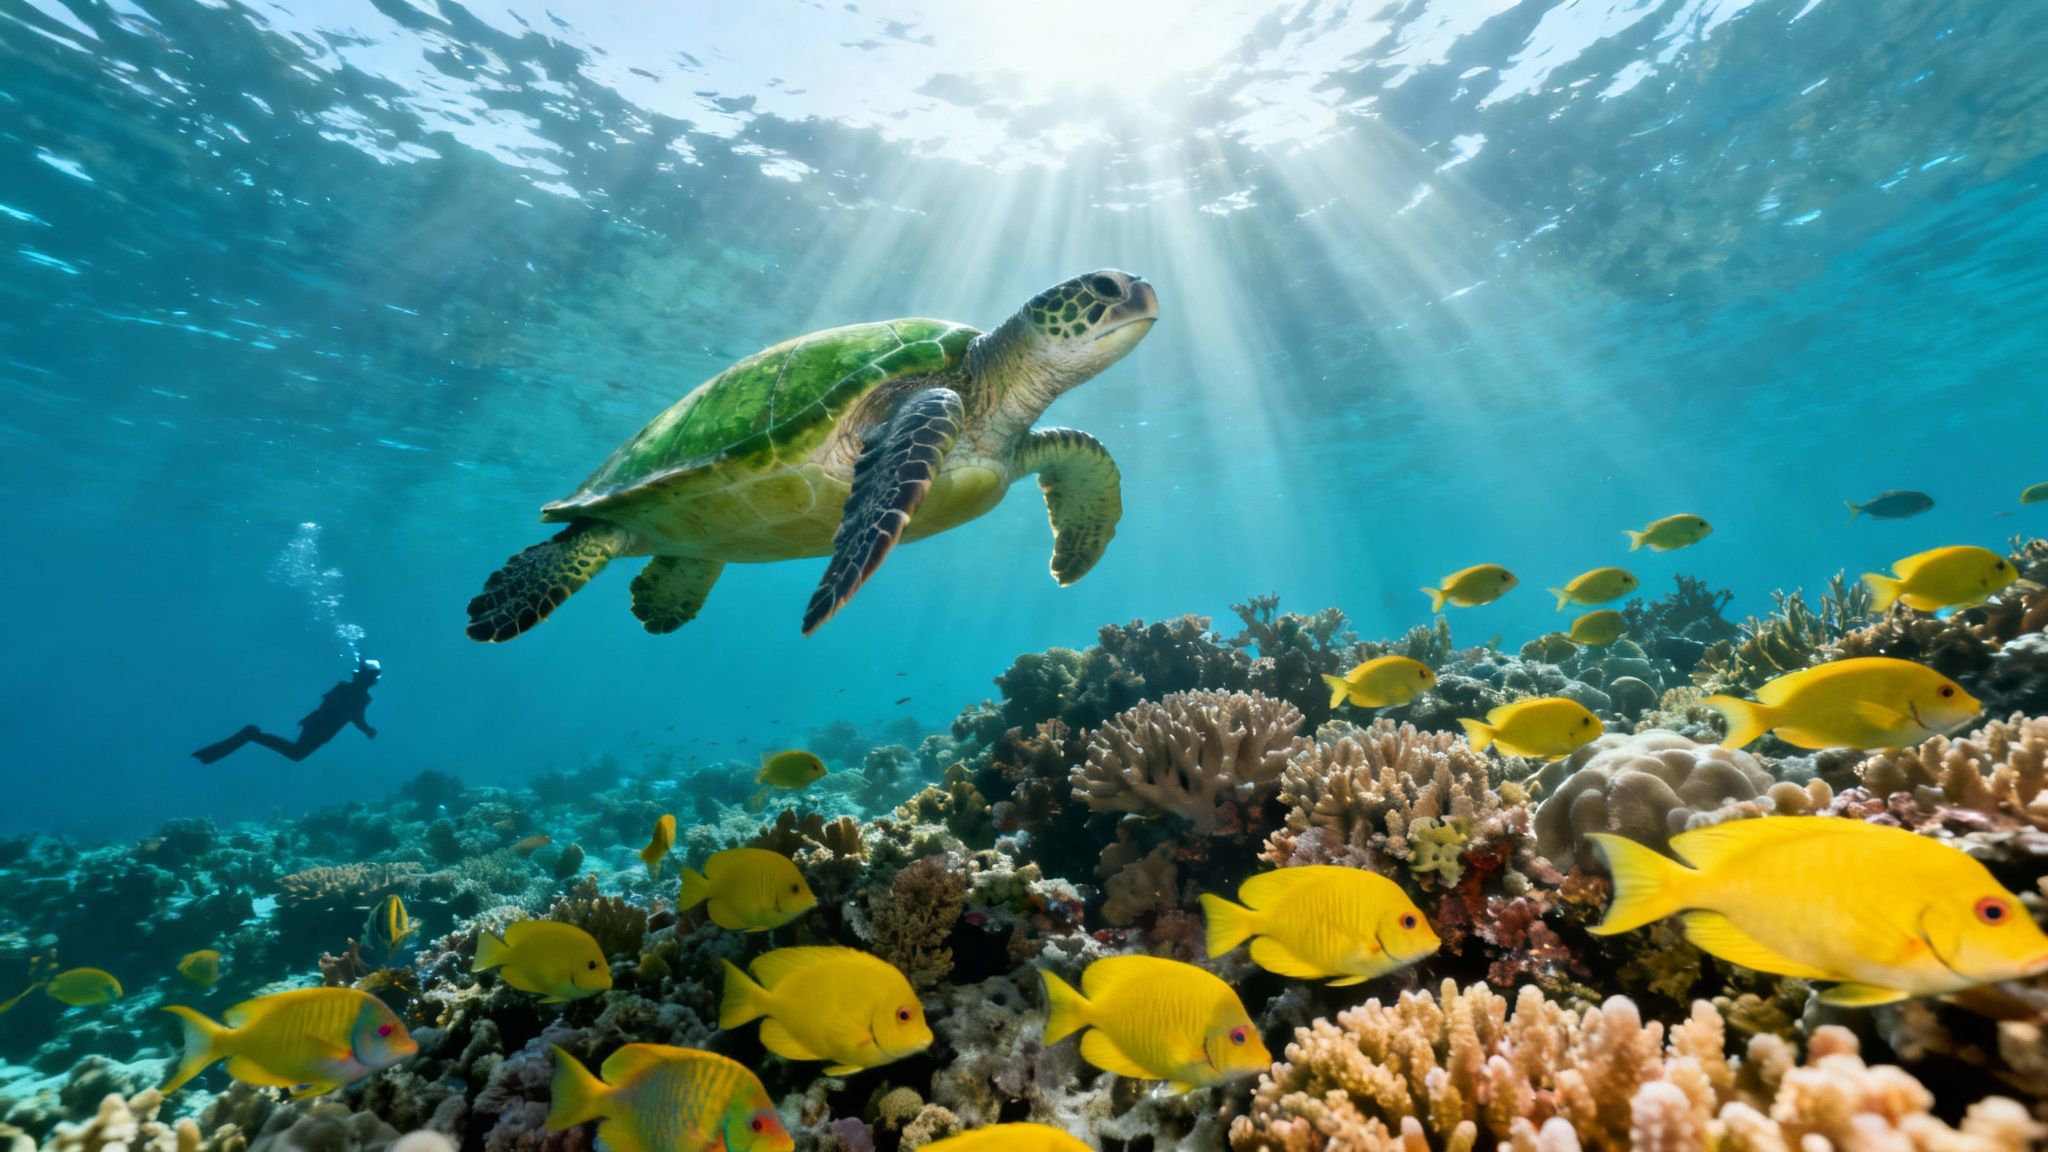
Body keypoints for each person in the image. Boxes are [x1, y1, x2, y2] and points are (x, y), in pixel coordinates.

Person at [192, 659, 381, 764]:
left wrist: (365, 728)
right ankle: (253, 734)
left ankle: (254, 735)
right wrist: (367, 730)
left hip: (318, 725)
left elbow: (349, 714)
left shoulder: (345, 688)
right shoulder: (359, 696)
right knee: (296, 754)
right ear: (371, 678)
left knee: (296, 753)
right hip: (322, 728)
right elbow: (355, 717)